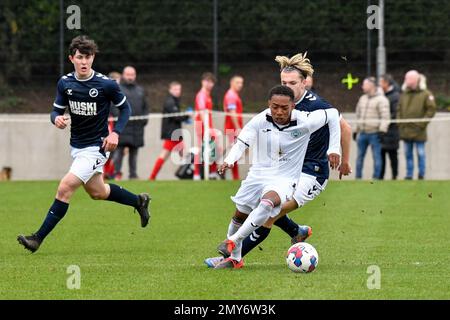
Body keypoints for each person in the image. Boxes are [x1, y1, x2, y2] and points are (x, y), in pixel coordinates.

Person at [205, 53, 352, 268]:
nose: (288, 87)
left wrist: (343, 158)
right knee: (262, 204)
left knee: (268, 213)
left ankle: (232, 256)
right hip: (284, 170)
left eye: (293, 83)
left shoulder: (316, 106)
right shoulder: (280, 104)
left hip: (312, 170)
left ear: (305, 82)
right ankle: (296, 231)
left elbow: (344, 126)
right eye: (284, 82)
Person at [17, 35, 151, 253]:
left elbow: (125, 109)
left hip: (97, 147)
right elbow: (55, 111)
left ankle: (37, 239)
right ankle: (139, 201)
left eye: (88, 57)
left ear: (93, 58)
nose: (84, 61)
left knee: (65, 188)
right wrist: (56, 119)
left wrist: (115, 133)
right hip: (77, 147)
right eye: (80, 57)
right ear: (72, 58)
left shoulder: (106, 84)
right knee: (98, 192)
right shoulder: (65, 83)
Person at [111, 66, 149, 180]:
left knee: (134, 153)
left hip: (137, 128)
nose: (130, 77)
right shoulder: (118, 89)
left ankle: (133, 175)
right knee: (118, 153)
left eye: (132, 75)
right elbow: (113, 106)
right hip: (122, 128)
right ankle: (116, 173)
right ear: (123, 75)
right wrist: (120, 120)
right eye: (128, 74)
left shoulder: (140, 90)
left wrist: (144, 120)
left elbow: (145, 107)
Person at [397, 70, 436, 180]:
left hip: (419, 131)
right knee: (408, 154)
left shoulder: (426, 94)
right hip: (406, 130)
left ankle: (421, 174)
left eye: (407, 78)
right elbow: (398, 109)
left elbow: (431, 110)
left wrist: (421, 124)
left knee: (421, 153)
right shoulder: (404, 94)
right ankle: (409, 175)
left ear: (415, 79)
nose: (405, 80)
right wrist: (400, 123)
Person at [149, 81, 190, 180]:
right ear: (170, 90)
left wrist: (185, 116)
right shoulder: (170, 101)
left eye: (179, 89)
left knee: (182, 154)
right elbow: (176, 116)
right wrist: (187, 115)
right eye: (175, 89)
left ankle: (186, 175)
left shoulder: (175, 101)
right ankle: (152, 177)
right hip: (172, 134)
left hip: (175, 133)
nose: (177, 91)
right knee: (165, 155)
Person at [355, 77, 390, 179]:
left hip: (375, 134)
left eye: (364, 84)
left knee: (377, 157)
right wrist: (355, 130)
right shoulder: (362, 98)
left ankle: (376, 178)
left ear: (371, 86)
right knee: (359, 157)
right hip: (362, 133)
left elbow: (385, 117)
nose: (362, 86)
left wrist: (382, 131)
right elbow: (358, 115)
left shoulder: (382, 100)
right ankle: (358, 178)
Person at [193, 72, 218, 180]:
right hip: (201, 125)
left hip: (207, 124)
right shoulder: (201, 95)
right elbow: (202, 112)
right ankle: (197, 174)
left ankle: (212, 172)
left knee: (212, 147)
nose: (210, 84)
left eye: (212, 82)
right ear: (203, 82)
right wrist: (207, 127)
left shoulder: (207, 95)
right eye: (208, 81)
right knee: (200, 148)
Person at [379, 74, 400, 180]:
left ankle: (394, 176)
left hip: (392, 132)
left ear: (386, 83)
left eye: (381, 82)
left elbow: (395, 113)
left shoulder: (395, 96)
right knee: (380, 156)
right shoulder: (381, 96)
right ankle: (380, 177)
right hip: (382, 132)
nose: (379, 84)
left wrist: (384, 122)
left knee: (393, 155)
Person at [223, 75, 244, 180]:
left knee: (235, 152)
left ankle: (235, 176)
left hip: (233, 128)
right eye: (238, 82)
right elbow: (232, 113)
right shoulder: (231, 95)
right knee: (234, 152)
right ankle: (234, 177)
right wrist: (238, 128)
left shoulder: (234, 95)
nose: (240, 85)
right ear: (232, 83)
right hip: (232, 129)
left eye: (241, 83)